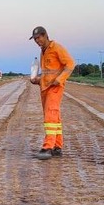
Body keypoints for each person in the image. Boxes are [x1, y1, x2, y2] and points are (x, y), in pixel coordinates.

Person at [29, 26, 75, 160]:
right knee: (55, 118)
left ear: (45, 35)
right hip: (45, 87)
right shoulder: (43, 51)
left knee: (50, 115)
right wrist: (38, 80)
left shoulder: (56, 48)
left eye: (39, 38)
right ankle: (57, 146)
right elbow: (48, 72)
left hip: (55, 87)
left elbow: (70, 64)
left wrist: (59, 79)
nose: (37, 41)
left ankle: (47, 147)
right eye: (35, 39)